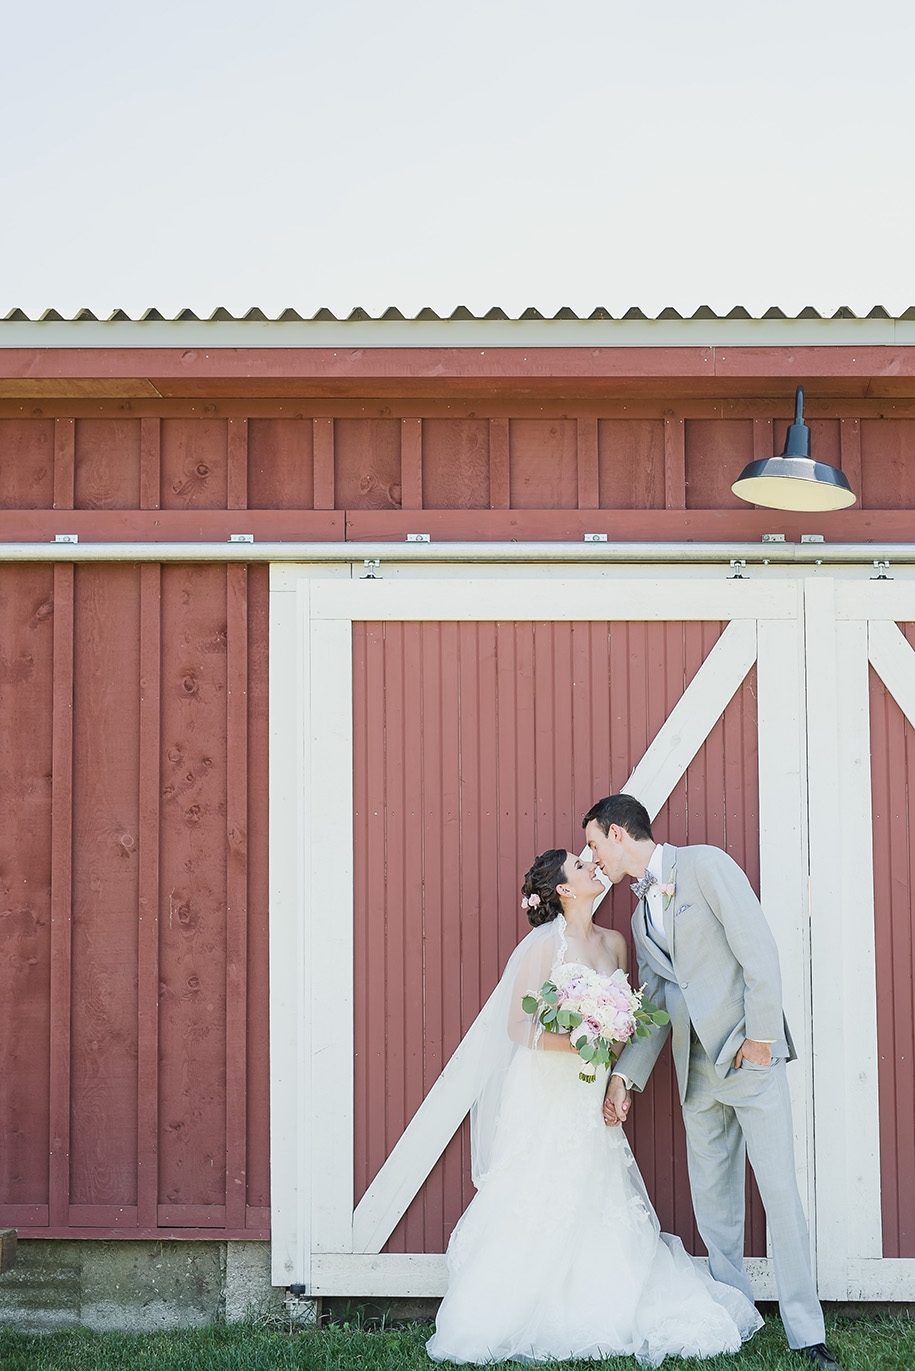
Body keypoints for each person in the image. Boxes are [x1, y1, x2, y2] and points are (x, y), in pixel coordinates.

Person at [426, 847, 763, 1366]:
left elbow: (630, 1014)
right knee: (541, 1184)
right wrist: (587, 1036)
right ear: (564, 889)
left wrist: (616, 1072)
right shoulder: (544, 945)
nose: (592, 868)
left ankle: (602, 1290)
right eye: (580, 867)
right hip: (546, 1087)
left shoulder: (615, 942)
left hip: (593, 1086)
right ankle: (519, 1298)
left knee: (595, 1182)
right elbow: (519, 1027)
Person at [585, 794, 839, 1371]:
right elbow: (653, 1001)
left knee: (779, 1195)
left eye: (595, 843)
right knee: (715, 1206)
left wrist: (762, 1039)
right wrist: (626, 1076)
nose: (593, 856)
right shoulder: (637, 913)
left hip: (748, 1060)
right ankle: (736, 1315)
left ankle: (806, 1331)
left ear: (618, 833)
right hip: (692, 1070)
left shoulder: (704, 865)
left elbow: (759, 951)